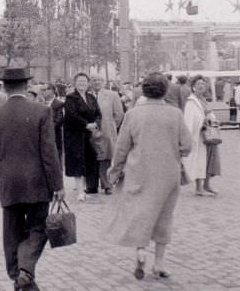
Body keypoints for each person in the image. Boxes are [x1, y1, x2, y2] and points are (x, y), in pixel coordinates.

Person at [0, 67, 64, 291]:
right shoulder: (41, 112)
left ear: (4, 88)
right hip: (37, 181)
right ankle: (26, 270)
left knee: (11, 232)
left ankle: (17, 275)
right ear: (27, 86)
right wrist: (57, 184)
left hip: (8, 182)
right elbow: (49, 152)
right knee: (38, 227)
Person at [104, 72, 192, 281]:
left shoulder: (133, 114)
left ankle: (141, 250)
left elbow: (122, 148)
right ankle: (160, 263)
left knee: (141, 212)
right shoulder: (175, 114)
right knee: (164, 216)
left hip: (139, 172)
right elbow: (187, 146)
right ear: (165, 91)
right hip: (167, 173)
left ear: (144, 90)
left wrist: (114, 171)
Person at [64, 72, 101, 202]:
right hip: (75, 135)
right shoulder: (70, 98)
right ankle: (79, 190)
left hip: (89, 135)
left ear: (88, 83)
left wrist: (96, 123)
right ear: (75, 83)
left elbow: (98, 113)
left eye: (84, 82)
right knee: (78, 161)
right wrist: (86, 124)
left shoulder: (91, 97)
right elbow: (71, 115)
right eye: (79, 81)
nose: (82, 84)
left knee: (89, 160)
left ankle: (86, 188)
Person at [182, 75, 219, 196]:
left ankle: (207, 184)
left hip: (209, 135)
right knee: (200, 160)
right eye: (198, 84)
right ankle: (199, 187)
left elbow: (209, 113)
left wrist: (214, 121)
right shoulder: (191, 102)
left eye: (203, 84)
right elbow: (188, 121)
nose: (201, 86)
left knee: (210, 160)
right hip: (199, 135)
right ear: (193, 87)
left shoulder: (203, 100)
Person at [92, 75, 124, 195]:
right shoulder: (87, 95)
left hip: (106, 132)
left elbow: (119, 114)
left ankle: (107, 184)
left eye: (99, 80)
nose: (97, 82)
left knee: (105, 158)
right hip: (90, 132)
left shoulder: (112, 95)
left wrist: (110, 127)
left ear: (104, 82)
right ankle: (92, 185)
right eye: (94, 80)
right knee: (92, 158)